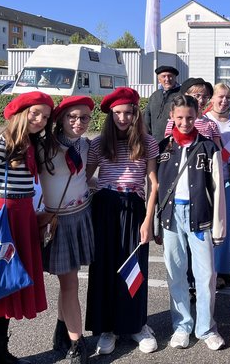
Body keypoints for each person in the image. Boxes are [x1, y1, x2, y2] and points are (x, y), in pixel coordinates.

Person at [0, 92, 54, 364]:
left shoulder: (30, 147)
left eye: (44, 116)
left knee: (8, 286)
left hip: (22, 219)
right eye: (35, 113)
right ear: (20, 114)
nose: (40, 120)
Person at [85, 87, 159, 355]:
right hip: (105, 208)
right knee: (105, 267)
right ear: (110, 114)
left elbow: (153, 184)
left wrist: (149, 220)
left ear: (135, 113)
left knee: (134, 270)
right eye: (117, 112)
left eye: (128, 112)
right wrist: (104, 187)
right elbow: (84, 177)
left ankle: (136, 324)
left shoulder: (147, 142)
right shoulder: (98, 143)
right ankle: (107, 328)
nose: (123, 117)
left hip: (135, 207)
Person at [156, 94, 226, 351]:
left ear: (197, 117)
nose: (184, 122)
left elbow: (218, 190)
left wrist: (219, 227)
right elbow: (154, 188)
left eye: (189, 117)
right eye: (180, 117)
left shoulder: (209, 147)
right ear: (172, 117)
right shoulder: (162, 148)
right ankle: (182, 325)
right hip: (171, 218)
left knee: (206, 275)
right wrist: (154, 223)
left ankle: (206, 327)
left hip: (200, 218)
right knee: (175, 273)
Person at [39, 96, 96, 363]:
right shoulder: (44, 148)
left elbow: (84, 178)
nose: (78, 122)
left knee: (68, 283)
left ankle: (61, 331)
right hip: (57, 221)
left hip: (82, 215)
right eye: (72, 116)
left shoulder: (86, 146)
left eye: (84, 117)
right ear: (60, 118)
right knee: (70, 283)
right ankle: (77, 342)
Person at [205, 83, 230, 288]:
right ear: (212, 99)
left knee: (227, 225)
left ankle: (224, 267)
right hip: (211, 180)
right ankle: (212, 270)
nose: (224, 101)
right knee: (213, 225)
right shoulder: (204, 120)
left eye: (228, 97)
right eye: (220, 97)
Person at [165, 78, 221, 148]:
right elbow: (167, 146)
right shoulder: (173, 122)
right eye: (197, 96)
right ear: (186, 95)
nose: (201, 100)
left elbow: (217, 150)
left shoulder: (211, 124)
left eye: (205, 97)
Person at [143, 65, 181, 143]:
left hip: (174, 141)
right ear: (159, 79)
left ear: (175, 78)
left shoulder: (181, 95)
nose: (167, 79)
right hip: (155, 142)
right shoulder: (154, 96)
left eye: (170, 76)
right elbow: (147, 118)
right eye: (164, 76)